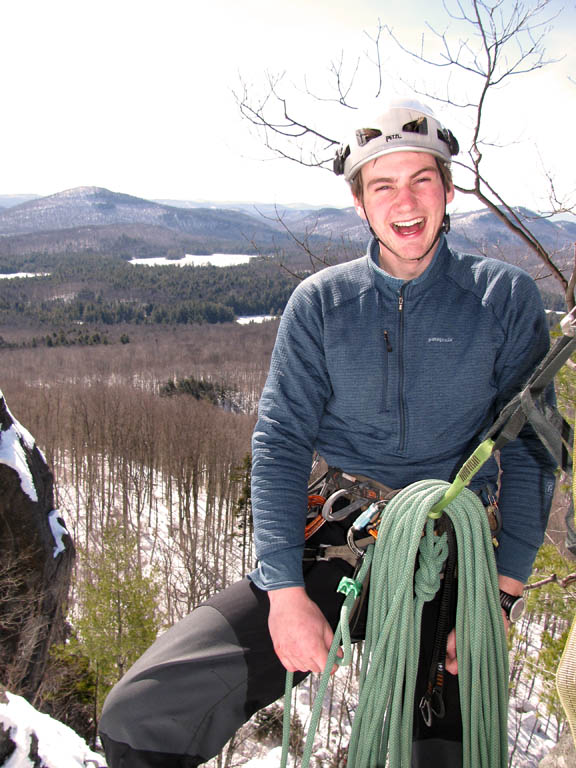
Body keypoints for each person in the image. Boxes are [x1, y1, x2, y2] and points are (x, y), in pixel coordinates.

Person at [99, 98, 557, 767]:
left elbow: (533, 449)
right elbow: (281, 441)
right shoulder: (322, 304)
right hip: (338, 532)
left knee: (434, 756)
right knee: (143, 715)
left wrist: (505, 594)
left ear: (449, 190)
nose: (405, 201)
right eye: (383, 186)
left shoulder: (502, 299)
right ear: (361, 205)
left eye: (421, 180)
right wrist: (284, 593)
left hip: (450, 551)